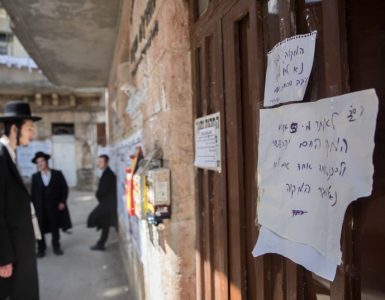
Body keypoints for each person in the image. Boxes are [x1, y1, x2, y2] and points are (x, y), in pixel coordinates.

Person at [0, 100, 41, 300]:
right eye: (29, 128)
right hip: (12, 252)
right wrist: (3, 258)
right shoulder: (0, 156)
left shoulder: (10, 155)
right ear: (14, 129)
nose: (33, 134)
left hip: (20, 247)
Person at [31, 151, 72, 257]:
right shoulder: (35, 177)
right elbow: (33, 193)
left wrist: (62, 201)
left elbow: (64, 188)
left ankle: (56, 246)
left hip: (54, 206)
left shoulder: (57, 174)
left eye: (41, 161)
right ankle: (41, 249)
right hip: (40, 208)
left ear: (46, 162)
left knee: (55, 227)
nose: (39, 164)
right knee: (40, 228)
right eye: (37, 162)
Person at [87, 154, 117, 251]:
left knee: (93, 217)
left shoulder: (108, 174)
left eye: (101, 162)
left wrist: (98, 195)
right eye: (98, 161)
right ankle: (101, 244)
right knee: (105, 224)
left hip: (107, 204)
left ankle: (101, 243)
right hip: (107, 203)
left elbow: (102, 191)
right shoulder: (106, 173)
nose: (98, 164)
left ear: (106, 163)